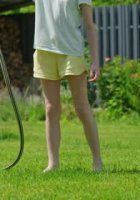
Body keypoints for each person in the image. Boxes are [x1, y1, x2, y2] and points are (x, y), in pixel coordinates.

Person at [32, 0, 103, 172]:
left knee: (82, 108)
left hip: (71, 52)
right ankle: (53, 164)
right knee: (50, 109)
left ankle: (97, 162)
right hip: (44, 50)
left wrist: (95, 61)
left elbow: (90, 26)